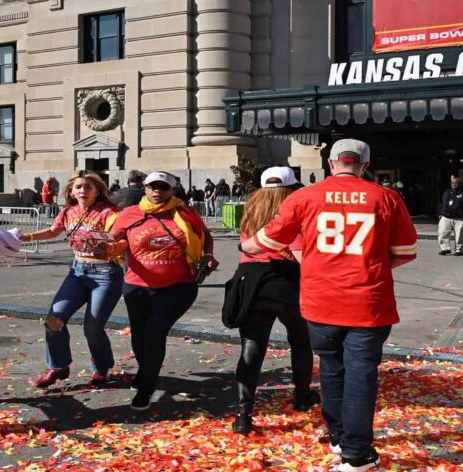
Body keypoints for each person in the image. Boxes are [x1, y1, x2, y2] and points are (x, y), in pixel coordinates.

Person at [240, 139, 418, 471]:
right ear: (364, 166)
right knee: (361, 375)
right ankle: (356, 451)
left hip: (320, 300)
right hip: (368, 301)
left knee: (332, 369)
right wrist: (369, 264)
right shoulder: (387, 198)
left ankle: (338, 437)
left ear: (332, 163)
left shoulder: (305, 196)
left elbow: (268, 240)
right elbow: (406, 252)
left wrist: (248, 245)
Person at [108, 171, 218, 411]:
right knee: (139, 335)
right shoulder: (130, 214)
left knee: (155, 333)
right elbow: (113, 238)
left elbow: (205, 236)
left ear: (172, 190)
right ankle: (146, 371)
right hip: (137, 286)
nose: (157, 192)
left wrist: (207, 256)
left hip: (178, 286)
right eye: (152, 187)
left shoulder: (185, 212)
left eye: (163, 188)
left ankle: (146, 386)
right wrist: (109, 246)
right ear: (145, 189)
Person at [229, 166, 319, 435]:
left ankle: (243, 414)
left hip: (252, 281)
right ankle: (302, 396)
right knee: (301, 341)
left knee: (252, 348)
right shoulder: (294, 210)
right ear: (291, 188)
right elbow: (301, 252)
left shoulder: (251, 208)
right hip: (287, 280)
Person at [19, 171, 123, 389]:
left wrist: (113, 245)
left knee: (92, 328)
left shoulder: (109, 212)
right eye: (78, 187)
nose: (82, 191)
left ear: (97, 191)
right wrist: (26, 237)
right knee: (53, 320)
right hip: (77, 272)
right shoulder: (68, 212)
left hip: (105, 274)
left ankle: (101, 368)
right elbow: (53, 231)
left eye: (88, 187)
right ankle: (58, 366)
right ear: (71, 191)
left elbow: (119, 235)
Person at [438, 175, 463, 256]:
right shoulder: (447, 192)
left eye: (457, 183)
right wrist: (441, 213)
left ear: (461, 184)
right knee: (443, 233)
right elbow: (443, 203)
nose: (455, 184)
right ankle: (445, 249)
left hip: (460, 218)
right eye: (453, 183)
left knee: (460, 235)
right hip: (446, 217)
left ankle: (459, 250)